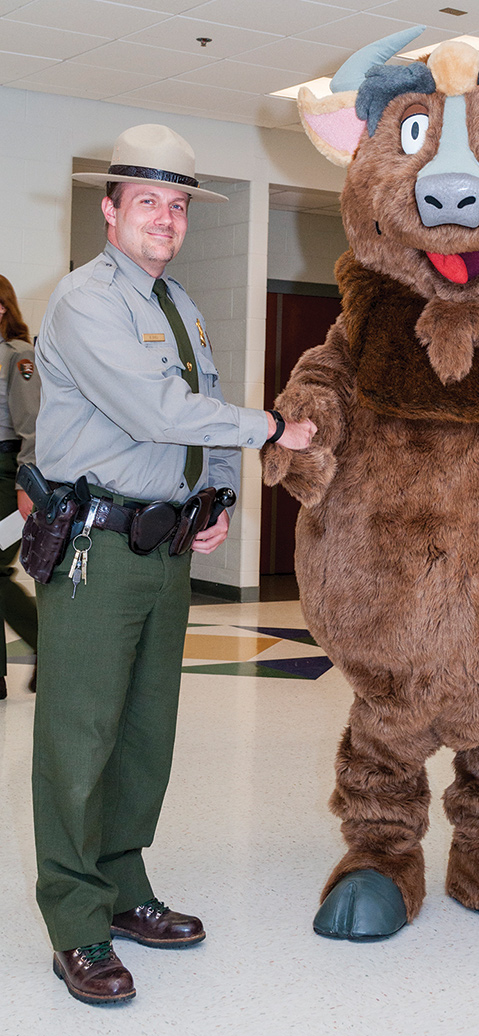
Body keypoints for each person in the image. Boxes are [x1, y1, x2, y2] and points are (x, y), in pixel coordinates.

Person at [31, 124, 316, 1006]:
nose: (165, 217)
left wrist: (220, 497)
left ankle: (123, 891)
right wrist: (268, 427)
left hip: (159, 550)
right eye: (147, 201)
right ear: (110, 210)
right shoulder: (88, 301)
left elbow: (199, 404)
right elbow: (157, 411)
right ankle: (76, 924)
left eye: (179, 204)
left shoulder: (177, 304)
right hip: (93, 551)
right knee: (79, 740)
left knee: (145, 735)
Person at [0, 275, 39, 700]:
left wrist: (25, 479)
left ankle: (45, 644)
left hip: (6, 469)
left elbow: (31, 424)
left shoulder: (19, 356)